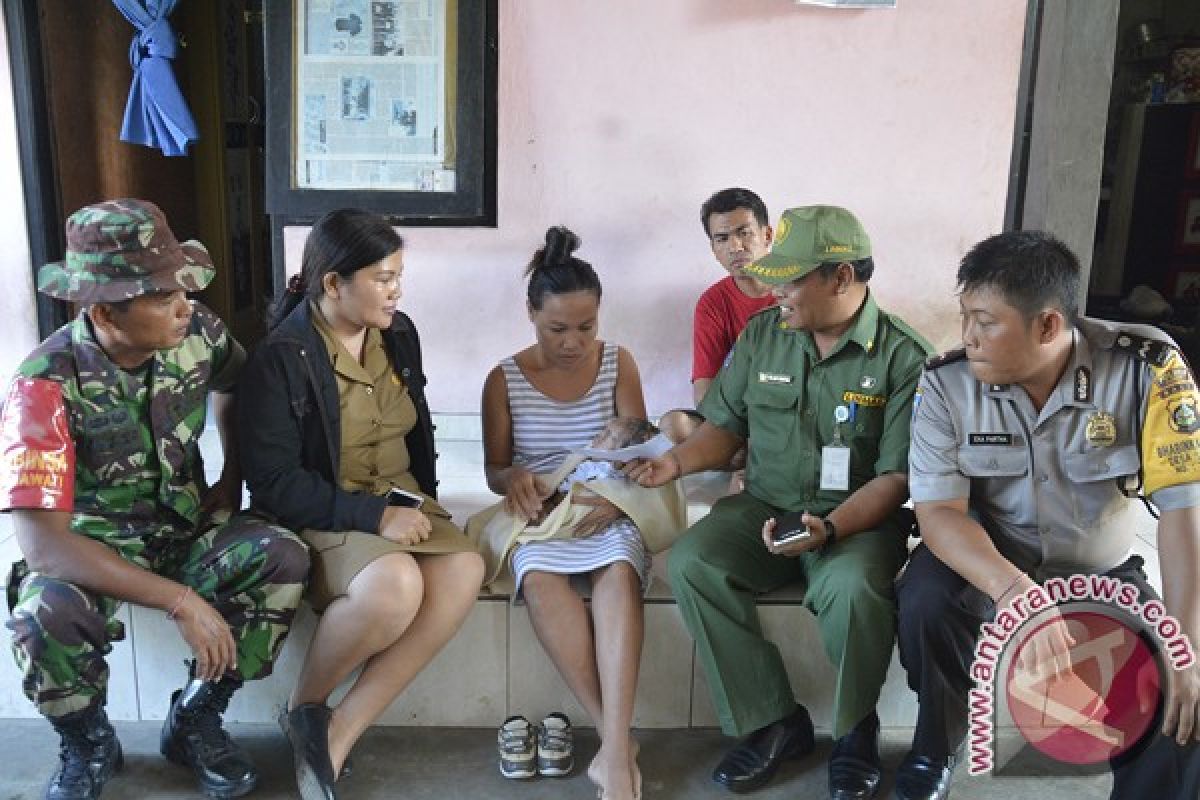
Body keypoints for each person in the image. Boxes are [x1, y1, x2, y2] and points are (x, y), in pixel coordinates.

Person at [0, 198, 310, 800]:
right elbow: (43, 546)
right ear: (105, 311)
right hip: (94, 548)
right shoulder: (42, 384)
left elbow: (238, 383)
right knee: (42, 613)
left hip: (185, 529)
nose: (184, 305)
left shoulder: (198, 335)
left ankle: (196, 717)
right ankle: (87, 740)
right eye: (162, 294)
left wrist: (231, 479)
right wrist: (180, 601)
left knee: (282, 556)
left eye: (183, 289)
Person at [629, 205, 932, 799]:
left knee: (853, 591)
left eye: (790, 278)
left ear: (841, 278)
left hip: (856, 522)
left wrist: (830, 528)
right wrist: (674, 463)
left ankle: (854, 732)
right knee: (694, 562)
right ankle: (773, 721)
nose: (773, 289)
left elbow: (896, 478)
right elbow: (726, 427)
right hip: (764, 506)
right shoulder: (764, 334)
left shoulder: (903, 357)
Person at [897, 230, 1200, 800]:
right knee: (925, 601)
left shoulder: (1147, 368)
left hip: (1102, 572)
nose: (968, 337)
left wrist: (1187, 647)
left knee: (1175, 698)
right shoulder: (946, 384)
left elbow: (1186, 512)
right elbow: (938, 512)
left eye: (985, 321)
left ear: (1047, 325)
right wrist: (1014, 592)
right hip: (992, 565)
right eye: (965, 317)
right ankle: (938, 741)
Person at [237, 209, 484, 800]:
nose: (396, 289)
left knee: (465, 568)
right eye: (382, 277)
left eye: (400, 274)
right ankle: (306, 706)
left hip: (402, 500)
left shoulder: (398, 333)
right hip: (330, 513)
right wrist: (374, 517)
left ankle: (338, 729)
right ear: (332, 284)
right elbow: (273, 481)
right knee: (396, 587)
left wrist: (421, 503)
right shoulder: (282, 357)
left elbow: (415, 433)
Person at [480, 226, 649, 800]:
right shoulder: (503, 379)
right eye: (557, 328)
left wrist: (612, 495)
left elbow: (638, 450)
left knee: (620, 572)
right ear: (531, 314)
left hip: (607, 503)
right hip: (542, 511)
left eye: (586, 327)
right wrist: (517, 480)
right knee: (541, 578)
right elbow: (495, 470)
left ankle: (616, 749)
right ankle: (617, 745)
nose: (573, 342)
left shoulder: (617, 364)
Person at [658, 187, 775, 449]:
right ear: (713, 248)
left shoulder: (796, 290)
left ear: (767, 235)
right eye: (722, 238)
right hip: (740, 421)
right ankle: (747, 457)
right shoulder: (713, 303)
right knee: (674, 425)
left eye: (744, 233)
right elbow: (705, 393)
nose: (735, 247)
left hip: (791, 416)